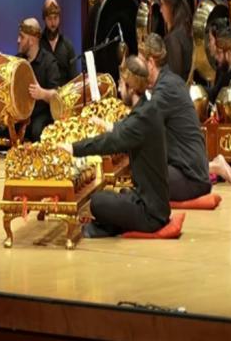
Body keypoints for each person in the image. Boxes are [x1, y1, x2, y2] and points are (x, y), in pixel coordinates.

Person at [58, 55, 170, 237]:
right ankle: (107, 227)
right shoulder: (148, 109)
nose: (118, 88)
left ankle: (106, 228)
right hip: (153, 203)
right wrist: (106, 124)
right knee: (115, 195)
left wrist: (73, 148)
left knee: (97, 201)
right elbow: (127, 128)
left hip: (151, 214)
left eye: (120, 83)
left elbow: (110, 142)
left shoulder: (142, 118)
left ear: (131, 87)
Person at [139, 33, 231, 196]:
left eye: (140, 63)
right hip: (191, 166)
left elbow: (143, 125)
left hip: (192, 176)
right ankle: (212, 166)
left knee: (144, 177)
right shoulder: (170, 80)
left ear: (150, 62)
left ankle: (212, 166)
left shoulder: (166, 88)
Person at [17, 18, 62, 142]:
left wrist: (42, 93)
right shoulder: (18, 61)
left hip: (40, 114)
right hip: (21, 115)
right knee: (0, 131)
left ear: (31, 41)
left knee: (38, 132)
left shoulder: (49, 62)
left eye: (22, 37)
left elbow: (57, 96)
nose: (18, 40)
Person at [159, 0, 193, 82]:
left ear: (170, 6)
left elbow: (174, 82)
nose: (160, 10)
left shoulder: (173, 39)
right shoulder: (186, 30)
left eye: (162, 4)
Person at [39, 0, 77, 81]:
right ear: (44, 19)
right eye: (49, 18)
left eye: (55, 18)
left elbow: (74, 78)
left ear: (59, 18)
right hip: (43, 92)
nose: (53, 23)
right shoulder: (38, 44)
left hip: (64, 92)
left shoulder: (67, 45)